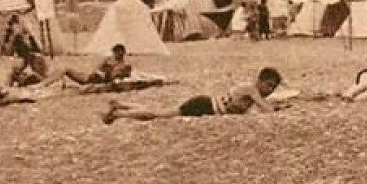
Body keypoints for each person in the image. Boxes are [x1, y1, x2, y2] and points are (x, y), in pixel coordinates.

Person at [103, 67, 286, 123]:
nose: (270, 90)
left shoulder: (250, 89)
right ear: (260, 80)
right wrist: (276, 110)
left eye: (273, 88)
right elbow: (265, 109)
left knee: (160, 111)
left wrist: (276, 106)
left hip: (204, 103)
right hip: (204, 106)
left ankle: (121, 105)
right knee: (158, 114)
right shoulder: (251, 89)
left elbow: (263, 105)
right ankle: (118, 114)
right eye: (269, 86)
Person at [64, 44, 133, 87]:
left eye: (121, 53)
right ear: (114, 52)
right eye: (117, 52)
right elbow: (97, 68)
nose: (119, 54)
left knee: (68, 71)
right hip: (92, 78)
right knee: (66, 70)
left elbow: (125, 76)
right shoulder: (108, 59)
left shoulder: (125, 65)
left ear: (123, 53)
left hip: (99, 79)